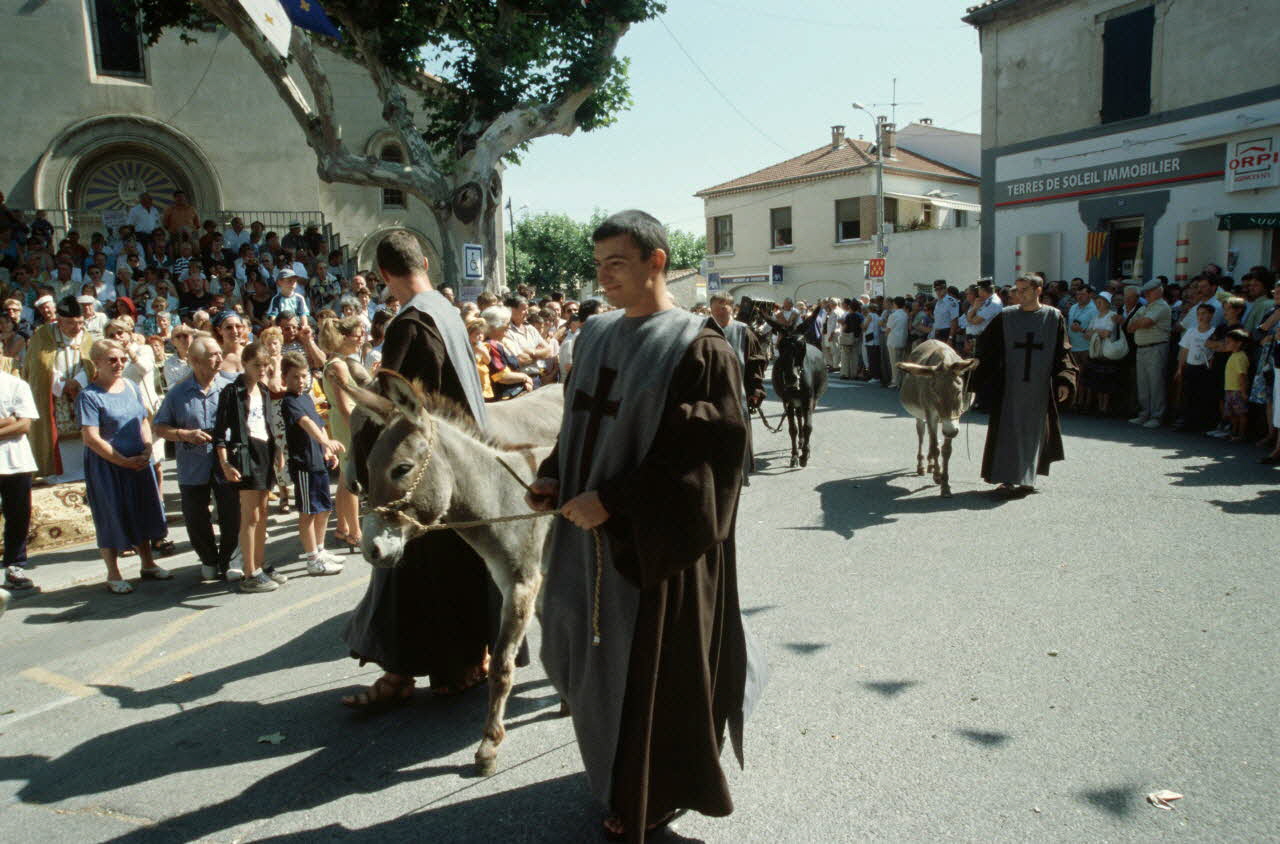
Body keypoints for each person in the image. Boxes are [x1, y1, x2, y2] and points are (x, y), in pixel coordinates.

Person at [527, 210, 761, 842]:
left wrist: (615, 501)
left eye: (617, 264)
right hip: (586, 534)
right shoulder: (596, 335)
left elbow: (700, 462)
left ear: (657, 261)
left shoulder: (700, 346)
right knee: (583, 657)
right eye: (598, 264)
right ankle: (613, 768)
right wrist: (554, 474)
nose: (603, 278)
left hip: (659, 550)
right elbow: (579, 424)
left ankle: (651, 793)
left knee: (652, 676)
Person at [343, 229, 501, 707]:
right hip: (462, 462)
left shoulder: (409, 324)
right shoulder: (449, 313)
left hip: (424, 472)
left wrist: (352, 395)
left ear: (385, 276)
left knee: (407, 574)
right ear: (426, 264)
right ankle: (469, 662)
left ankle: (403, 675)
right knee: (460, 565)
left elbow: (395, 412)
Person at [78, 339, 173, 593]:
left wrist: (146, 448)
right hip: (107, 466)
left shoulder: (131, 386)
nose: (119, 364)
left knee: (142, 509)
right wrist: (122, 461)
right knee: (111, 515)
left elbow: (143, 419)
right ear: (97, 363)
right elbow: (91, 437)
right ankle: (113, 572)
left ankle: (148, 563)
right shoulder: (89, 396)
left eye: (121, 359)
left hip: (138, 461)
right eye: (112, 359)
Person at [973, 273, 1077, 498]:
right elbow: (987, 348)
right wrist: (974, 370)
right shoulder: (1006, 317)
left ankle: (1027, 479)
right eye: (1017, 291)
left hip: (1039, 389)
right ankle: (1008, 479)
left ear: (1039, 291)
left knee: (1033, 432)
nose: (1019, 295)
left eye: (1025, 290)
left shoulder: (1053, 318)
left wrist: (1065, 380)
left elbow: (1063, 352)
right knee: (1008, 432)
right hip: (1010, 387)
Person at [154, 337, 241, 580]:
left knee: (231, 511)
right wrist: (184, 434)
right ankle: (208, 559)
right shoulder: (178, 393)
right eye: (212, 355)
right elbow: (160, 427)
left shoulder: (231, 384)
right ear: (194, 361)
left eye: (219, 353)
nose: (219, 359)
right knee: (195, 515)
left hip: (225, 459)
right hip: (193, 460)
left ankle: (228, 558)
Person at [215, 342, 287, 592]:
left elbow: (267, 425)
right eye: (256, 365)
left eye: (265, 365)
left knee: (264, 511)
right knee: (250, 515)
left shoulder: (264, 391)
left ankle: (259, 563)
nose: (262, 369)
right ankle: (249, 572)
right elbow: (220, 431)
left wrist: (277, 450)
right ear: (244, 363)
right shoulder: (231, 392)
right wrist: (224, 462)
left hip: (264, 451)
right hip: (244, 455)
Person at [278, 352, 344, 577]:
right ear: (284, 377)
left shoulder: (306, 398)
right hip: (304, 464)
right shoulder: (289, 402)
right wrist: (327, 441)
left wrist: (327, 449)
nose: (300, 381)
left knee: (324, 508)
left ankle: (320, 549)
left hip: (318, 461)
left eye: (304, 376)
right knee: (308, 512)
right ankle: (312, 559)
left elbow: (318, 422)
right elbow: (306, 424)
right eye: (295, 376)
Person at [24, 295, 95, 482]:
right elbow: (39, 366)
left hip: (81, 393)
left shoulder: (86, 336)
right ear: (59, 320)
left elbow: (93, 364)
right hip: (53, 397)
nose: (77, 328)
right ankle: (55, 476)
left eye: (80, 322)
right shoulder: (43, 335)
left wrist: (78, 381)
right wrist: (62, 384)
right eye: (71, 323)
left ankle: (86, 474)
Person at [318, 316, 371, 553]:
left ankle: (342, 527)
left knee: (342, 480)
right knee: (352, 481)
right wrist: (359, 432)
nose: (361, 339)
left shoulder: (335, 362)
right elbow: (344, 405)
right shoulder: (338, 365)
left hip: (341, 423)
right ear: (343, 337)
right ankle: (355, 533)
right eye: (357, 335)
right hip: (346, 424)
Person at [710, 291, 767, 482]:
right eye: (718, 304)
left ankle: (737, 476)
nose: (721, 308)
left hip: (737, 392)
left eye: (725, 304)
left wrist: (755, 391)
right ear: (711, 307)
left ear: (732, 308)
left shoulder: (744, 331)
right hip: (708, 393)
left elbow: (755, 363)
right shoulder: (702, 329)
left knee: (736, 436)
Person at [0, 367, 39, 592]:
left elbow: (24, 425)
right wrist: (8, 421)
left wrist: (15, 421)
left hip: (15, 462)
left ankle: (15, 565)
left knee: (17, 516)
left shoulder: (16, 385)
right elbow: (16, 422)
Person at [1126, 279, 1172, 427]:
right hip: (1142, 348)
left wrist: (1139, 323)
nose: (1146, 295)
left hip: (1156, 347)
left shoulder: (1161, 306)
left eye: (1150, 292)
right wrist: (1139, 322)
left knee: (1156, 383)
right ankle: (1144, 413)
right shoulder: (1145, 307)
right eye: (1145, 292)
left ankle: (1157, 416)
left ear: (1159, 291)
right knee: (1144, 383)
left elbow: (1145, 323)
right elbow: (1129, 326)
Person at [481, 306, 535, 400]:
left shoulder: (500, 342)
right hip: (505, 399)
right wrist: (525, 377)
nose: (509, 326)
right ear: (494, 326)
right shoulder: (490, 345)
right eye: (506, 323)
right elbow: (502, 377)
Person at [1082, 292, 1122, 415]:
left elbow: (1107, 333)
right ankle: (1100, 407)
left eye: (1100, 302)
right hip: (1096, 351)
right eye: (1097, 302)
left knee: (1107, 381)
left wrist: (1094, 332)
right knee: (1097, 380)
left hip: (1108, 352)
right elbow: (1086, 334)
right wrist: (1097, 332)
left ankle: (1106, 407)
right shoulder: (1096, 317)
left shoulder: (1112, 315)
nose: (1098, 305)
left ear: (1107, 303)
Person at [1221, 329, 1251, 442]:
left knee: (1241, 413)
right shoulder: (1233, 355)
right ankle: (1234, 432)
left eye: (1229, 341)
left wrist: (1243, 391)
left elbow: (1242, 375)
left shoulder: (1240, 357)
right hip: (1229, 389)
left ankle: (1241, 434)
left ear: (1239, 343)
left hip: (1237, 390)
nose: (1226, 344)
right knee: (1232, 413)